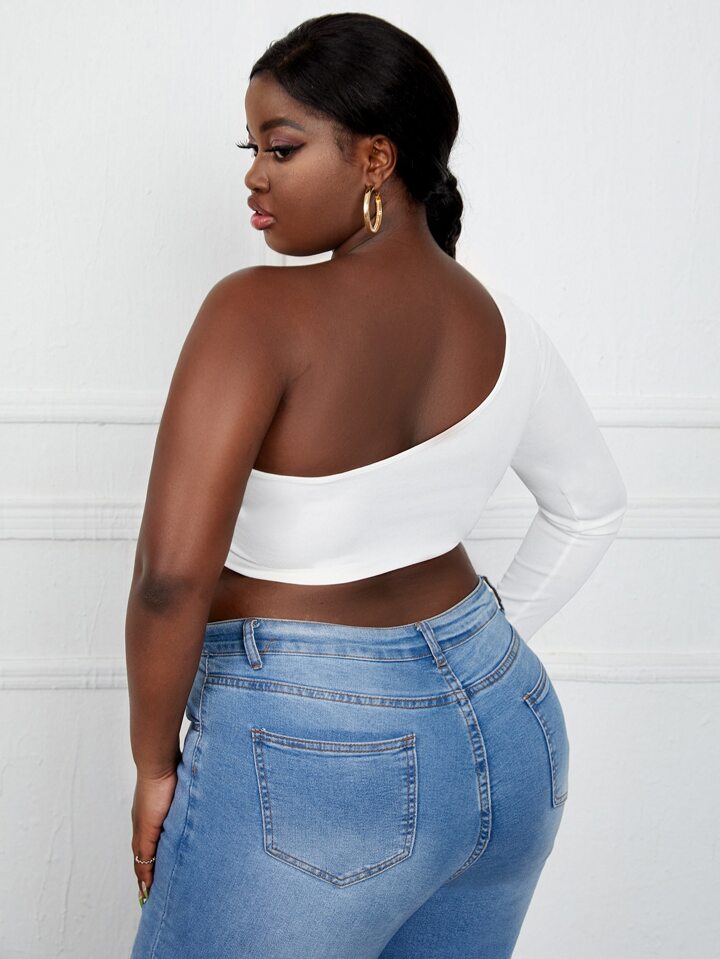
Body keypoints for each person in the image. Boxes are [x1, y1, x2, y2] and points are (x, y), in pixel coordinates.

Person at [127, 12, 627, 958]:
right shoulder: (507, 327)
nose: (254, 176)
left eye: (281, 147)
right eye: (250, 149)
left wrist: (155, 766)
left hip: (316, 757)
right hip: (512, 731)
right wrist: (459, 662)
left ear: (375, 159)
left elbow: (169, 578)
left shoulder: (256, 311)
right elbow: (592, 505)